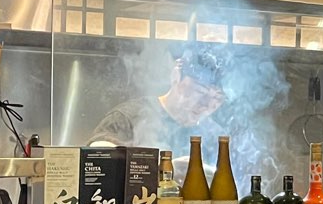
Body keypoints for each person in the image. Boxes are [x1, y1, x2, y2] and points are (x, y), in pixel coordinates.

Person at [89, 45, 225, 160]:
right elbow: (96, 159)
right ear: (176, 77)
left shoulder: (213, 137)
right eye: (200, 91)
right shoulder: (127, 119)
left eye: (216, 98)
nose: (205, 105)